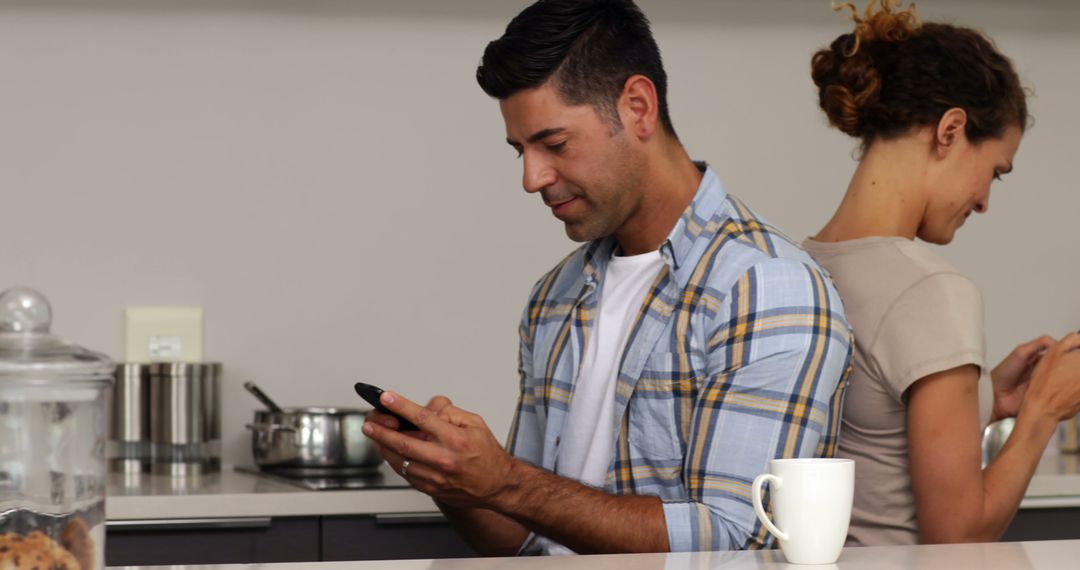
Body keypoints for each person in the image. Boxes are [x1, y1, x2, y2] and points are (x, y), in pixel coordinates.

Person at [362, 0, 852, 555]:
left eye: (554, 143)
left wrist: (504, 481)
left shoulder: (767, 288)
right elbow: (528, 543)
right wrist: (454, 480)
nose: (531, 177)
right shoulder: (555, 297)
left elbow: (730, 539)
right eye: (519, 151)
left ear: (638, 108)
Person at [803, 0, 1080, 546]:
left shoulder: (801, 264)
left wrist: (988, 400)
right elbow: (955, 537)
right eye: (995, 173)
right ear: (951, 130)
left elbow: (872, 441)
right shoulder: (930, 289)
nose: (983, 202)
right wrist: (1042, 414)